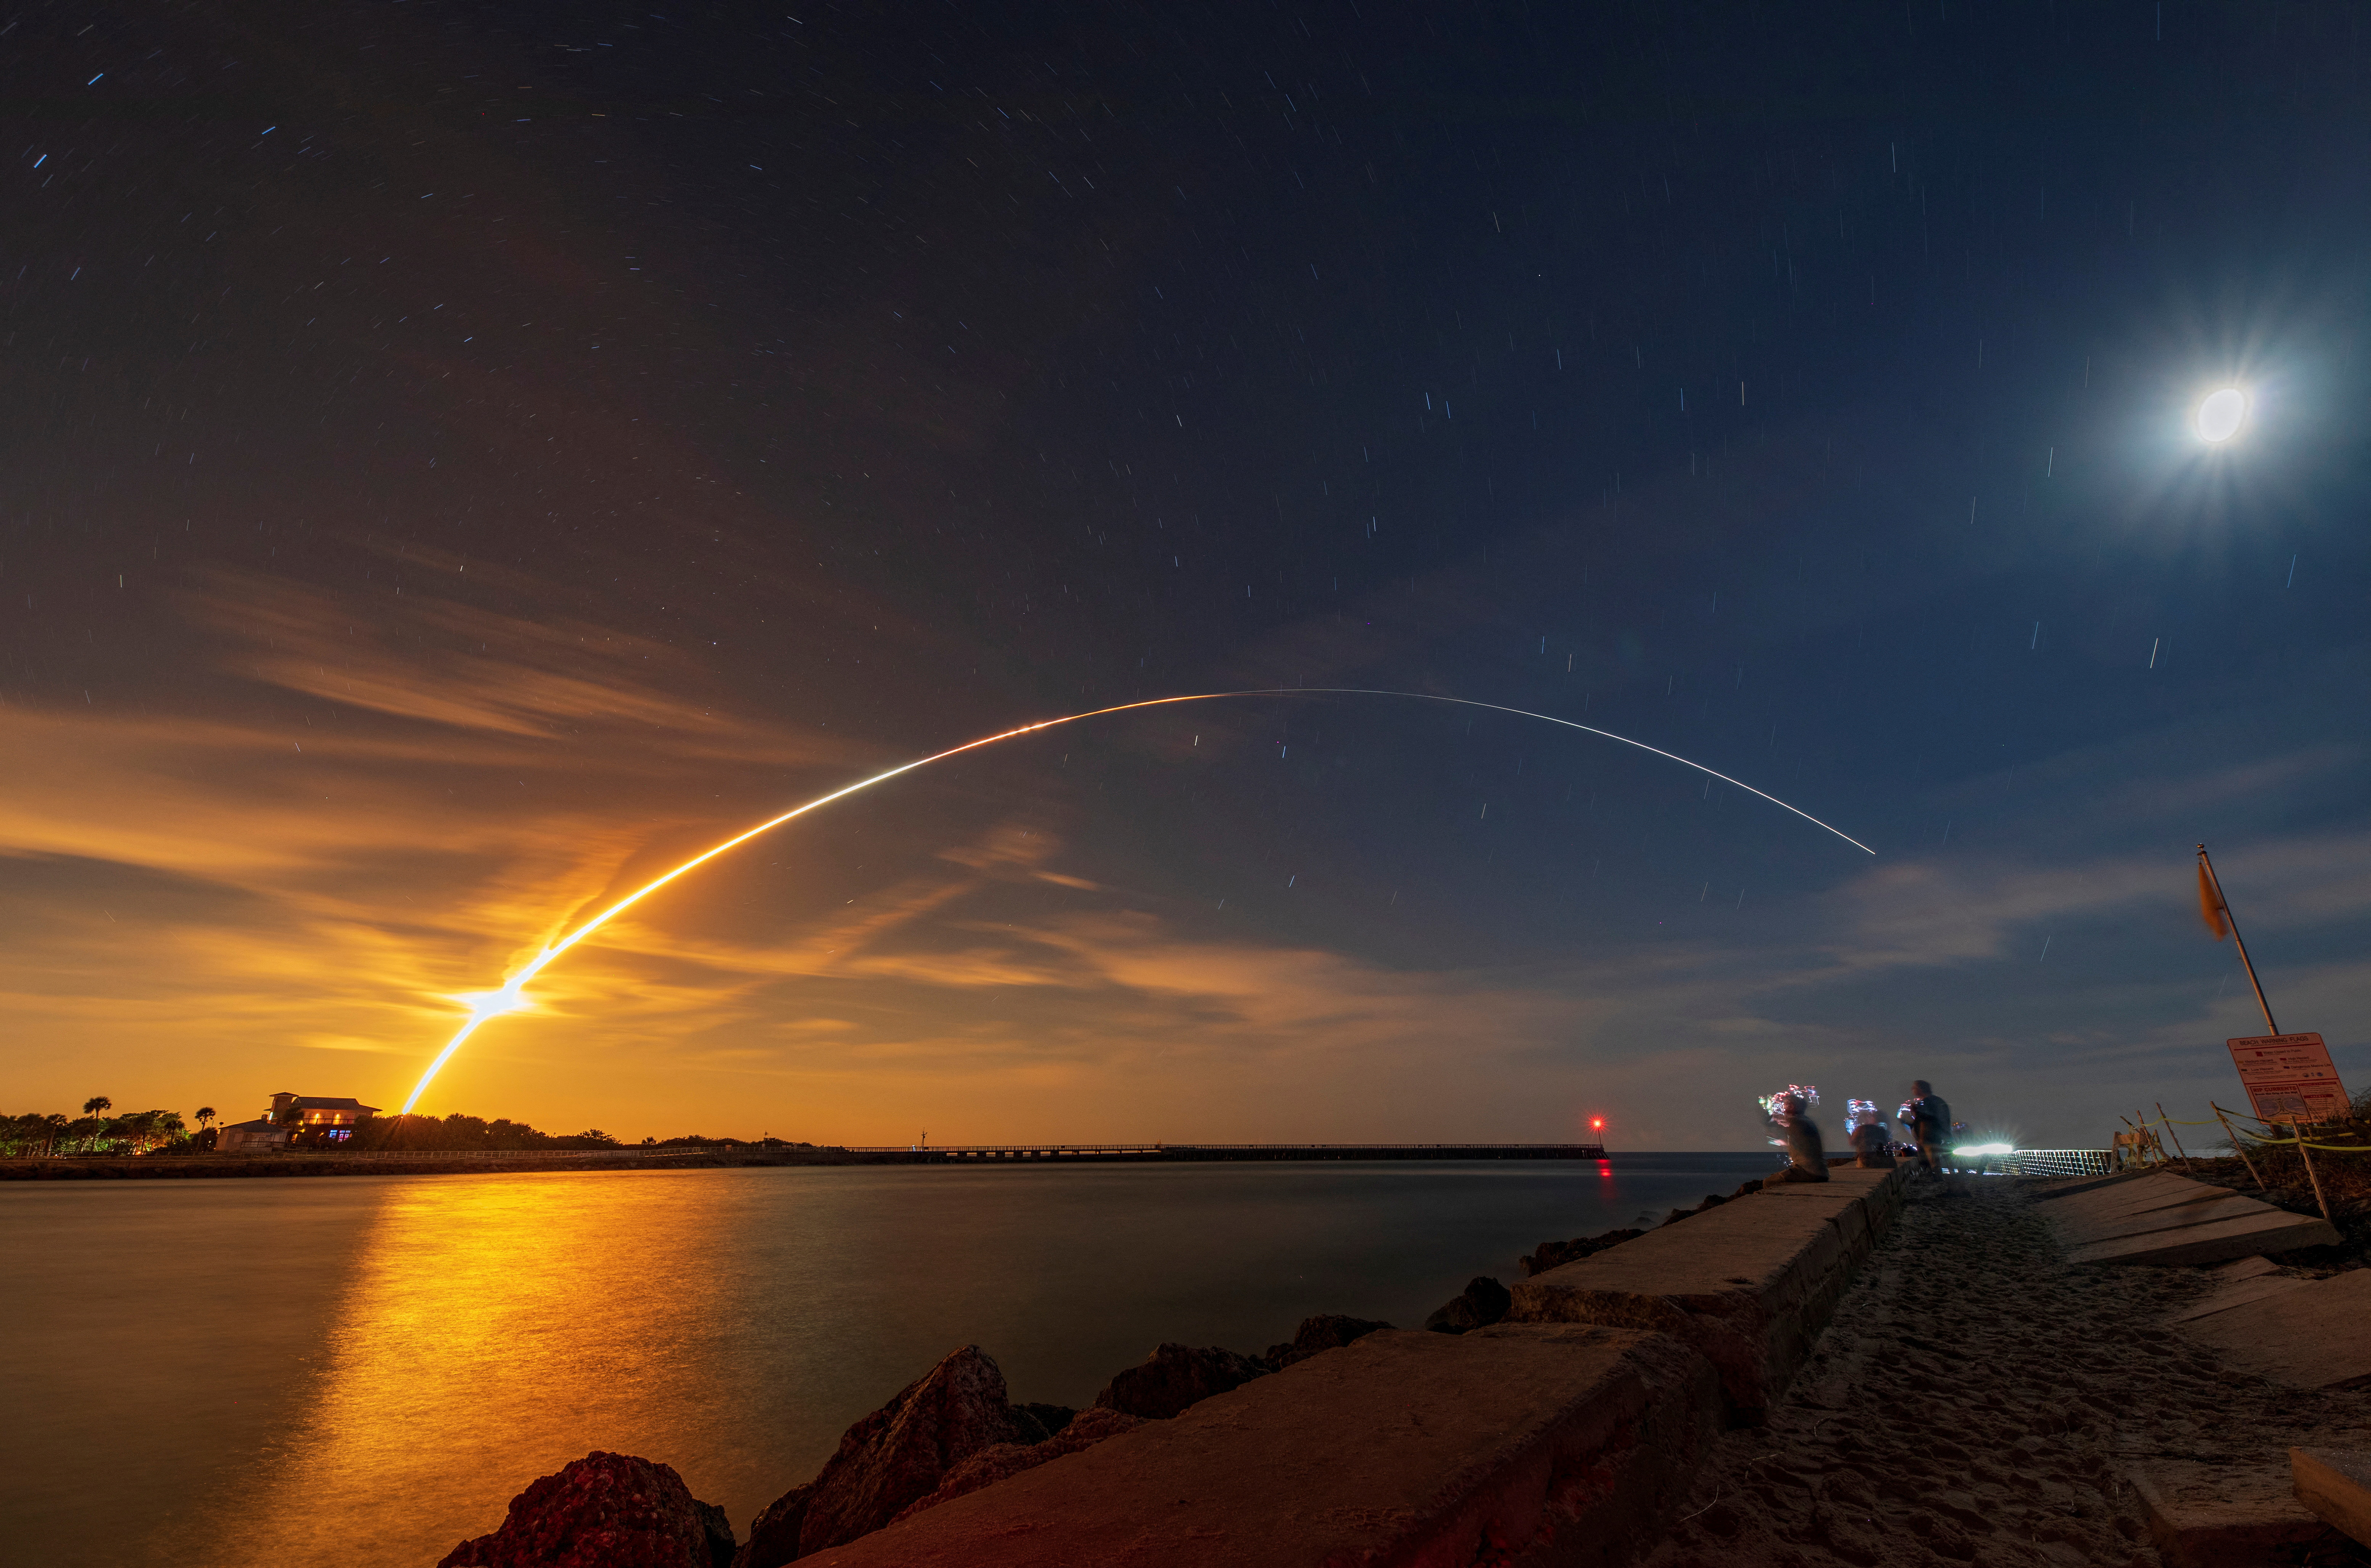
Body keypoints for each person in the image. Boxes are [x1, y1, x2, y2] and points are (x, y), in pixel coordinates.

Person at [1776, 1091, 1830, 1182]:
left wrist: (1778, 1141)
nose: (1783, 1107)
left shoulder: (1795, 1123)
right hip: (1821, 1172)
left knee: (1768, 1183)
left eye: (1785, 1104)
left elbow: (1795, 1144)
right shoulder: (1805, 1120)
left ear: (1792, 1107)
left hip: (1809, 1172)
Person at [1901, 1080, 1951, 1174]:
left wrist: (1922, 1138)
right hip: (1941, 1136)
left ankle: (1939, 1181)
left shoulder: (1926, 1103)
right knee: (1946, 1162)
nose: (1912, 1090)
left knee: (1934, 1163)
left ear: (1921, 1089)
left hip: (1930, 1138)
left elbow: (1925, 1121)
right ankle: (1952, 1181)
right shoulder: (1938, 1101)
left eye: (1914, 1088)